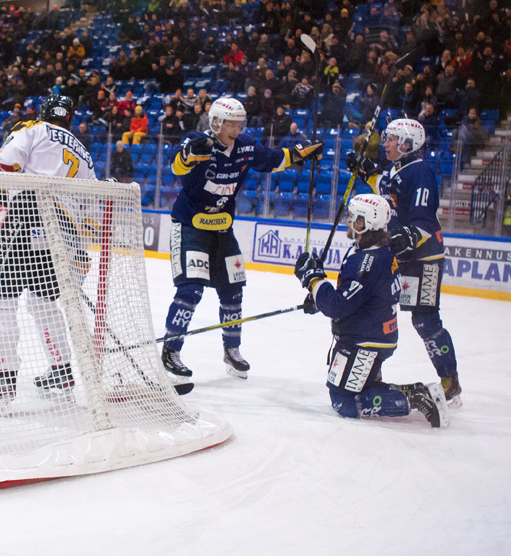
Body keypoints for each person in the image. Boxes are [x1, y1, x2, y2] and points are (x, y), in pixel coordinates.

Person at [160, 97, 323, 391]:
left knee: (233, 290)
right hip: (190, 225)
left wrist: (298, 154)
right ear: (216, 123)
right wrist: (187, 155)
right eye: (230, 123)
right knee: (191, 290)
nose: (235, 129)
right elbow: (176, 165)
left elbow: (273, 160)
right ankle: (171, 350)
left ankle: (231, 349)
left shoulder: (246, 146)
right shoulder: (198, 141)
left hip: (223, 228)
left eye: (239, 123)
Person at [0, 94, 96, 407]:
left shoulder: (33, 130)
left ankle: (3, 380)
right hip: (64, 230)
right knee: (43, 303)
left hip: (28, 212)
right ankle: (62, 372)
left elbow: (7, 161)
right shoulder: (83, 152)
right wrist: (79, 250)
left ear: (44, 112)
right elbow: (92, 202)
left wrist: (9, 189)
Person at [293, 194, 447, 428]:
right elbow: (353, 296)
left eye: (355, 218)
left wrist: (314, 281)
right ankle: (416, 391)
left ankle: (414, 399)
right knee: (364, 389)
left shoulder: (367, 262)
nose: (349, 222)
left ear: (368, 224)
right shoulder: (377, 249)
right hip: (374, 336)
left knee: (344, 401)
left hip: (364, 342)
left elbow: (338, 305)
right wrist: (319, 297)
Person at [347, 118, 462, 405]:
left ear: (407, 144)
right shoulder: (395, 169)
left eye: (390, 139)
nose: (385, 143)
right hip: (399, 255)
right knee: (377, 310)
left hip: (425, 258)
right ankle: (372, 375)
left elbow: (423, 220)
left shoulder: (420, 172)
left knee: (425, 321)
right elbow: (384, 189)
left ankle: (450, 381)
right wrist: (364, 171)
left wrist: (408, 237)